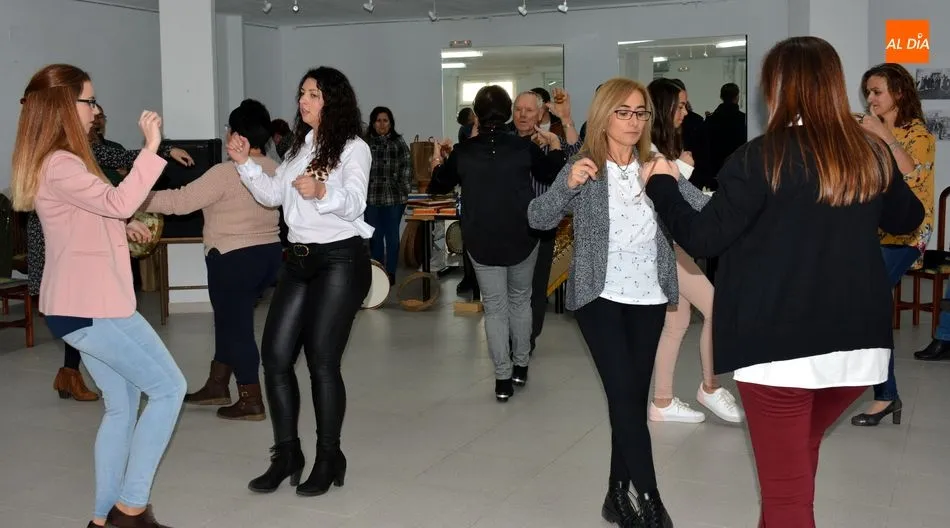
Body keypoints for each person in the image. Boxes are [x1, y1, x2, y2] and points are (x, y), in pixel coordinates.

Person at [641, 36, 924, 527]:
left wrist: (662, 184)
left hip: (778, 351)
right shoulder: (865, 155)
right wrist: (883, 148)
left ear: (778, 88)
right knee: (795, 464)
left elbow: (703, 238)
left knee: (789, 498)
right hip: (856, 351)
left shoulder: (760, 158)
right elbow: (908, 216)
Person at [528, 77, 709, 528]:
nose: (633, 121)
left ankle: (614, 495)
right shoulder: (584, 163)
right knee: (625, 400)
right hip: (600, 295)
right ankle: (651, 501)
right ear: (605, 115)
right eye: (624, 112)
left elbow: (704, 213)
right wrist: (566, 185)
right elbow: (538, 217)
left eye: (640, 113)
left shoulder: (657, 164)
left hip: (649, 295)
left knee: (628, 399)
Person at [11, 63, 186, 528]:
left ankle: (102, 520)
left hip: (82, 305)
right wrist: (151, 148)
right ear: (67, 106)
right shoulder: (61, 161)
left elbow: (94, 214)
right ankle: (130, 508)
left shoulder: (58, 160)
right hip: (92, 307)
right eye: (90, 100)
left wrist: (116, 224)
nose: (97, 108)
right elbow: (119, 200)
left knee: (123, 405)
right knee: (170, 390)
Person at [229, 66, 372, 497]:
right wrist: (246, 165)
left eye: (312, 94)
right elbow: (274, 196)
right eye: (301, 94)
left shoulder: (353, 148)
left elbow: (355, 204)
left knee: (322, 361)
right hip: (298, 260)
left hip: (341, 261)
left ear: (333, 100)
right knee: (274, 357)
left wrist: (323, 193)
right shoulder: (297, 149)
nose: (302, 101)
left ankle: (329, 457)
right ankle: (286, 454)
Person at [141, 99, 284, 421]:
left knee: (238, 329)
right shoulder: (276, 169)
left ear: (235, 134)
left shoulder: (226, 172)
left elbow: (181, 201)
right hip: (268, 257)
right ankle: (217, 384)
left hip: (233, 259)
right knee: (229, 320)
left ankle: (251, 398)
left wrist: (136, 196)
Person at [429, 85, 566, 401]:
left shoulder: (464, 152)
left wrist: (438, 157)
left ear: (476, 114)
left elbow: (438, 184)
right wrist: (556, 144)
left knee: (494, 308)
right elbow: (553, 172)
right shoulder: (522, 149)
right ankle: (521, 366)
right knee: (520, 301)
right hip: (523, 237)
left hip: (481, 239)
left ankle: (502, 379)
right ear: (507, 114)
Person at [646, 78, 742, 424]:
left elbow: (683, 195)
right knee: (717, 308)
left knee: (677, 323)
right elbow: (677, 197)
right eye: (681, 105)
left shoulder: (661, 149)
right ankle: (710, 387)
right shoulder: (652, 152)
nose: (686, 112)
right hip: (663, 248)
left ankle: (662, 401)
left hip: (669, 243)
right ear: (665, 108)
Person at [850, 62, 935, 426]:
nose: (870, 99)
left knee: (868, 303)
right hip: (875, 230)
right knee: (871, 305)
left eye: (877, 91)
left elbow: (910, 171)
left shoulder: (919, 135)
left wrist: (883, 136)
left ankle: (885, 395)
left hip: (908, 236)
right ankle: (884, 393)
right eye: (868, 92)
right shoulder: (872, 130)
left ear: (898, 93)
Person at [364, 106, 412, 284]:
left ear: (391, 123)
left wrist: (404, 189)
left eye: (385, 120)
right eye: (378, 120)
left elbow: (407, 166)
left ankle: (391, 272)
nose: (382, 124)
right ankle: (378, 273)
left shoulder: (398, 142)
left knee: (392, 237)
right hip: (372, 198)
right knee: (375, 238)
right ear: (373, 123)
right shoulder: (365, 143)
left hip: (394, 198)